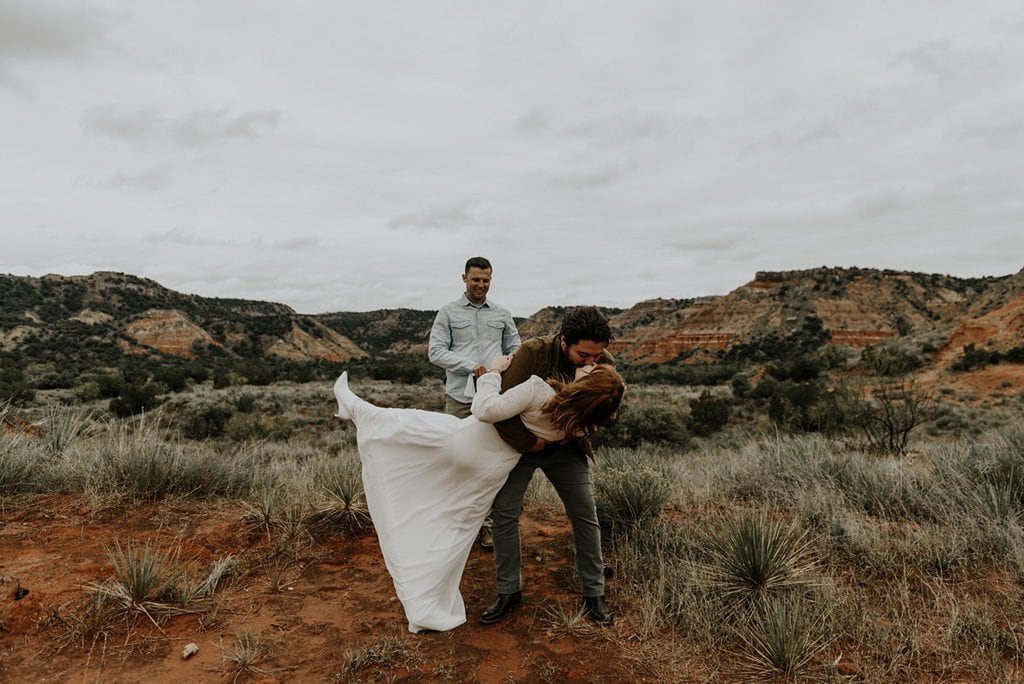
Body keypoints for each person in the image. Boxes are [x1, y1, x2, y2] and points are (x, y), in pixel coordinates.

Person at [332, 360, 624, 633]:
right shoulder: (579, 423)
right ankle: (426, 606)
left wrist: (492, 373)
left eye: (591, 369)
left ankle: (355, 407)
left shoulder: (538, 389)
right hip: (492, 469)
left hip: (469, 440)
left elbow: (483, 410)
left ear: (585, 385)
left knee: (405, 426)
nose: (588, 365)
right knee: (457, 529)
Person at [482, 306, 617, 626]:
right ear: (563, 341)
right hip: (521, 448)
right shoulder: (532, 355)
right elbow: (504, 411)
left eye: (596, 356)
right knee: (504, 514)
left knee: (585, 514)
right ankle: (508, 591)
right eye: (583, 355)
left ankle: (594, 593)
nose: (591, 362)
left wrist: (576, 429)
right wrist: (531, 444)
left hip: (568, 448)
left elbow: (604, 412)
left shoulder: (603, 362)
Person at [428, 256, 521, 548]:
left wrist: (505, 366)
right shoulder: (447, 313)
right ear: (464, 278)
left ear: (490, 280)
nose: (481, 285)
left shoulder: (503, 314)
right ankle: (460, 525)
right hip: (459, 397)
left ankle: (490, 525)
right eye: (476, 279)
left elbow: (516, 349)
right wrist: (470, 364)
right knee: (458, 459)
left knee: (494, 461)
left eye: (486, 280)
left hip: (494, 398)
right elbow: (436, 352)